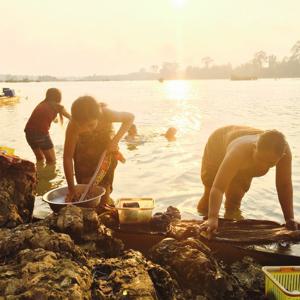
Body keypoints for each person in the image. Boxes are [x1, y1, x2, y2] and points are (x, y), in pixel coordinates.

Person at [198, 125, 298, 237]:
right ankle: (200, 219)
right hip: (218, 145)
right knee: (209, 193)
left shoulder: (283, 152)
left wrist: (289, 219)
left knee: (234, 200)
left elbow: (284, 186)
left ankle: (231, 234)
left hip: (245, 162)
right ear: (255, 147)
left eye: (270, 164)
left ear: (281, 156)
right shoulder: (238, 152)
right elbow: (218, 188)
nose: (262, 166)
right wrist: (212, 217)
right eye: (260, 159)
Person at [63, 96, 134, 206]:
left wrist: (114, 141)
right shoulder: (73, 125)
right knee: (85, 189)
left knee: (104, 188)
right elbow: (67, 157)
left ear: (99, 116)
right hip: (83, 154)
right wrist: (71, 189)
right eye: (81, 126)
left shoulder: (106, 114)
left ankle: (105, 204)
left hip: (105, 152)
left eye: (91, 125)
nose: (86, 129)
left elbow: (130, 117)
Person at [24, 88, 71, 164]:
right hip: (41, 134)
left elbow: (42, 118)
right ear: (58, 97)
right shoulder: (58, 106)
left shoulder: (41, 104)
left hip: (28, 133)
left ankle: (39, 174)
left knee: (40, 159)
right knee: (52, 161)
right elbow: (71, 117)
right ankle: (49, 175)